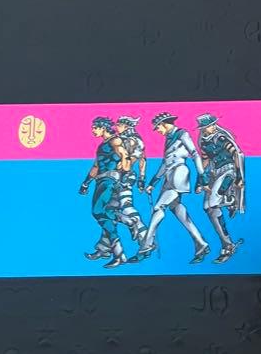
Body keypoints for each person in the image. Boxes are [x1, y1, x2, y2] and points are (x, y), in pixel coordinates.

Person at [131, 112, 210, 265]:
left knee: (158, 208)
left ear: (164, 124)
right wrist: (153, 182)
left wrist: (202, 176)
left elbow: (195, 154)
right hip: (169, 176)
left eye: (158, 127)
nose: (157, 131)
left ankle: (146, 246)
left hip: (179, 173)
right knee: (178, 211)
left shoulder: (182, 134)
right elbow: (165, 163)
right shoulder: (168, 139)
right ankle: (201, 244)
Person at [79, 116, 132, 269]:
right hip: (101, 181)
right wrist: (86, 183)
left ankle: (121, 250)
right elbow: (96, 166)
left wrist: (125, 172)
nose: (93, 130)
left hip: (109, 180)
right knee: (104, 215)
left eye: (95, 128)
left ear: (103, 127)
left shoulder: (114, 140)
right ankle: (105, 250)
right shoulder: (102, 145)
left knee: (99, 212)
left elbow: (124, 155)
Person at [196, 112, 245, 263]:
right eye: (206, 126)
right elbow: (204, 161)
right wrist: (199, 181)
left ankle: (230, 199)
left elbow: (236, 154)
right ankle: (227, 243)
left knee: (213, 202)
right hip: (214, 172)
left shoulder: (221, 138)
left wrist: (239, 176)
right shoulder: (203, 141)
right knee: (208, 208)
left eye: (210, 125)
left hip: (228, 170)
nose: (210, 128)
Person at [115, 115, 147, 244]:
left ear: (126, 126)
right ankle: (144, 237)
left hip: (122, 176)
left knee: (122, 207)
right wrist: (142, 178)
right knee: (117, 207)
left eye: (119, 125)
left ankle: (143, 236)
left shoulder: (128, 140)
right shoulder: (138, 139)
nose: (116, 127)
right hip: (129, 176)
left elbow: (129, 161)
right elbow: (143, 160)